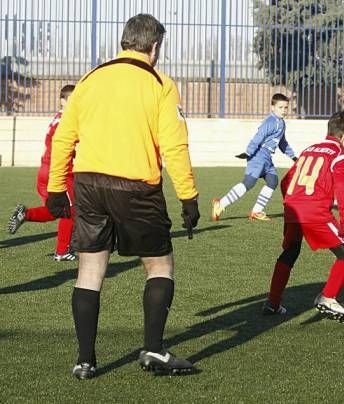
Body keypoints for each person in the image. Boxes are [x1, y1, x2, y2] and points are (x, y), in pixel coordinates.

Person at [46, 14, 200, 379]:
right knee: (159, 265)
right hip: (135, 186)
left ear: (124, 41)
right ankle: (153, 350)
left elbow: (64, 136)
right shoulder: (160, 84)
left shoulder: (90, 79)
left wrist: (56, 188)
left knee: (89, 269)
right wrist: (188, 196)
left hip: (88, 183)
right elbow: (174, 145)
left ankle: (85, 360)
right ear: (155, 46)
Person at [263, 111, 344, 324]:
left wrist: (291, 204)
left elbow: (285, 182)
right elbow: (342, 193)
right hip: (314, 210)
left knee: (290, 251)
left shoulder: (309, 150)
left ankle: (272, 303)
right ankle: (328, 297)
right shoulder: (340, 156)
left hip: (292, 207)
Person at [7, 84, 77, 261]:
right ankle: (62, 252)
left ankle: (26, 214)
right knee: (68, 210)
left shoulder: (59, 118)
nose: (76, 103)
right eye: (72, 99)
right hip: (60, 171)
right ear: (62, 101)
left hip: (46, 170)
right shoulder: (66, 121)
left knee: (55, 210)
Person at [211, 93, 297, 221]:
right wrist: (248, 152)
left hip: (267, 158)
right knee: (248, 183)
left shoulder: (281, 123)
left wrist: (294, 157)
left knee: (272, 181)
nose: (284, 110)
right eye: (280, 107)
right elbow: (259, 137)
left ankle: (256, 211)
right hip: (258, 155)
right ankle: (220, 204)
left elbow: (282, 142)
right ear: (272, 107)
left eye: (285, 108)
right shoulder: (270, 121)